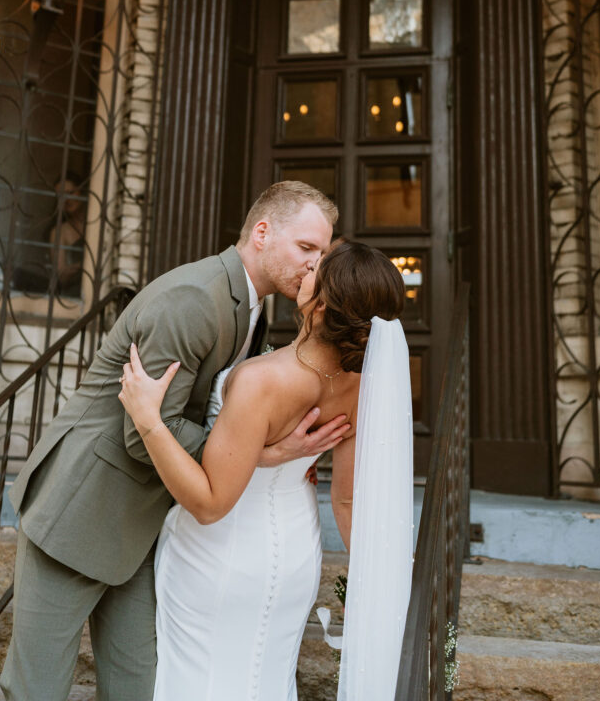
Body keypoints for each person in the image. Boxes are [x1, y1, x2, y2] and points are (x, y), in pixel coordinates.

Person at [0, 181, 348, 701]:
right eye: (306, 248)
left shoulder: (253, 308)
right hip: (81, 511)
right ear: (262, 232)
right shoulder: (194, 300)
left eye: (322, 253)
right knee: (37, 688)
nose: (314, 266)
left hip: (141, 525)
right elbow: (143, 433)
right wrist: (263, 453)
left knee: (139, 687)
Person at [118, 239, 410, 700]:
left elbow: (211, 504)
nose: (309, 266)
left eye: (318, 267)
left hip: (218, 555)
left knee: (202, 680)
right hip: (296, 552)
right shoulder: (363, 385)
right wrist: (387, 583)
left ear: (323, 304)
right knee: (266, 679)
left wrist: (148, 421)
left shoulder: (263, 380)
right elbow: (348, 500)